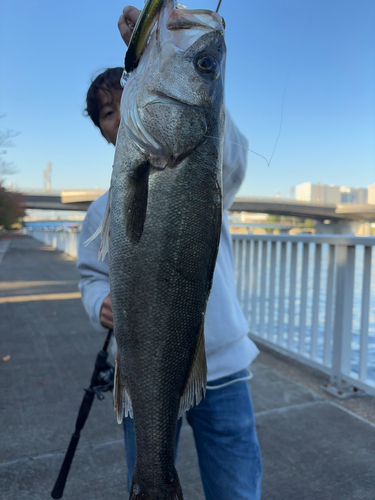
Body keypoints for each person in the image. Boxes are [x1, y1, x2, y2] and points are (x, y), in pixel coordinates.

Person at [77, 6, 262, 500]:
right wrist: (99, 303)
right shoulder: (100, 211)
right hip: (142, 368)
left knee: (238, 490)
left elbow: (231, 154)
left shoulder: (208, 165)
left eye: (122, 97)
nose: (118, 114)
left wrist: (162, 55)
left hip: (222, 366)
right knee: (149, 471)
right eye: (107, 113)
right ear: (102, 131)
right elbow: (90, 276)